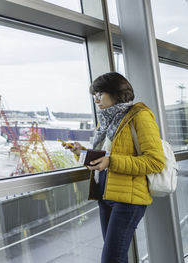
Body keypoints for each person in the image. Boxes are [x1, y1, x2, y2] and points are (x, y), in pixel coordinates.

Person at [63, 72, 165, 263]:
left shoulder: (139, 116)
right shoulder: (106, 121)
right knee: (116, 257)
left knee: (112, 259)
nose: (96, 100)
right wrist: (81, 152)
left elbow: (155, 161)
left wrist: (112, 161)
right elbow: (105, 156)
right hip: (105, 195)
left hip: (128, 200)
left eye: (100, 93)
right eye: (94, 95)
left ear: (116, 92)